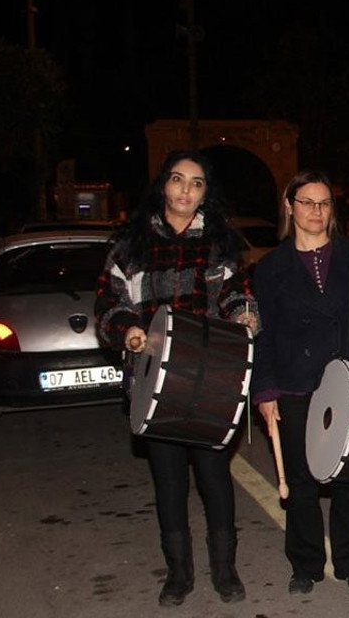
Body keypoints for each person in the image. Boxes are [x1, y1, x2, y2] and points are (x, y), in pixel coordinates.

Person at [94, 150, 259, 607]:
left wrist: (245, 315)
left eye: (197, 183)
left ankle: (225, 571)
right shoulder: (131, 243)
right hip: (153, 380)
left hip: (210, 379)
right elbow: (110, 301)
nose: (186, 190)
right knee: (168, 481)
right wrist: (127, 330)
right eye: (178, 180)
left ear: (207, 192)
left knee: (214, 476)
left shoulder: (220, 243)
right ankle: (178, 574)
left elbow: (235, 293)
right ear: (163, 185)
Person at [251, 170, 349, 595]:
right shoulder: (270, 268)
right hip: (294, 383)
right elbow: (262, 333)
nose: (316, 211)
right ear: (290, 207)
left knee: (348, 477)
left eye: (324, 203)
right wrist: (264, 390)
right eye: (306, 202)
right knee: (302, 481)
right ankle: (304, 564)